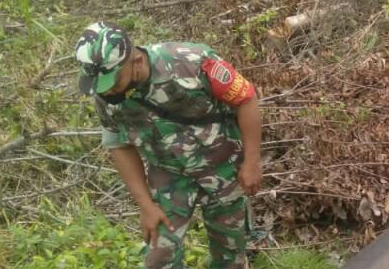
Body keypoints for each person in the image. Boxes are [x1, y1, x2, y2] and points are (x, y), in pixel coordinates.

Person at [75, 21, 262, 268]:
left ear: (136, 62)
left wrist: (252, 162)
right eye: (99, 84)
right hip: (168, 179)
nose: (106, 91)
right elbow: (119, 147)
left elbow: (247, 100)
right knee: (157, 261)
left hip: (223, 169)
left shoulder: (191, 62)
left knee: (230, 257)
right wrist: (145, 205)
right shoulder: (105, 97)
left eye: (112, 81)